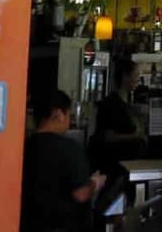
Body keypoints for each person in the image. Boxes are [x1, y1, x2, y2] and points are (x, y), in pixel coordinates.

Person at [20, 90, 106, 231]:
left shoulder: (25, 147)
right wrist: (95, 183)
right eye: (69, 115)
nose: (69, 121)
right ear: (59, 115)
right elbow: (81, 194)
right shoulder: (69, 148)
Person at [88, 58, 146, 179]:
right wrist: (135, 136)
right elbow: (107, 137)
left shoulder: (127, 103)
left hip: (124, 167)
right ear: (125, 76)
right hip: (112, 168)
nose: (138, 80)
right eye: (135, 75)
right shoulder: (111, 104)